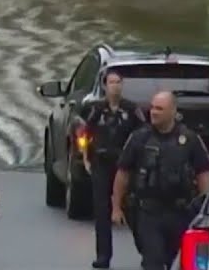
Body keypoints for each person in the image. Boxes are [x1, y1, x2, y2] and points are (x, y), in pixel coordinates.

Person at [112, 91, 209, 270]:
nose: (153, 112)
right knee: (153, 259)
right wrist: (116, 207)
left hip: (180, 212)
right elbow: (123, 173)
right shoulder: (140, 138)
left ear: (173, 111)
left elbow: (203, 174)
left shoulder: (189, 139)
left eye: (159, 109)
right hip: (148, 213)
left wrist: (206, 208)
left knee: (179, 261)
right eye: (152, 108)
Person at [79, 70, 147, 269]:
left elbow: (144, 134)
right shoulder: (97, 109)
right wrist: (86, 157)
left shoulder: (132, 109)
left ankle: (146, 251)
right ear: (105, 86)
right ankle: (103, 256)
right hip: (101, 164)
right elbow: (85, 134)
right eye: (111, 82)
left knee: (132, 209)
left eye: (118, 82)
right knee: (101, 211)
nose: (115, 86)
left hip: (125, 165)